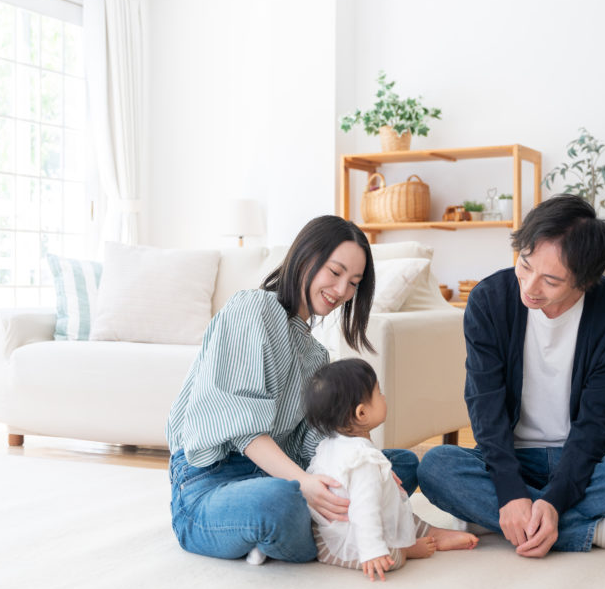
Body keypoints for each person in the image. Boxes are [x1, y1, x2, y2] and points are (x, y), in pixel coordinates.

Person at [418, 194, 605, 561]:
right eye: (524, 266)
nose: (529, 287)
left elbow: (597, 420)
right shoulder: (488, 301)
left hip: (585, 462)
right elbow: (485, 406)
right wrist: (511, 492)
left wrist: (555, 501)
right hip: (512, 458)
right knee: (436, 467)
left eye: (551, 280)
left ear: (586, 281)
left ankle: (505, 521)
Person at [167, 215, 421, 565]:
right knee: (278, 502)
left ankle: (296, 533)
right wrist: (303, 484)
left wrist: (366, 462)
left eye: (354, 283)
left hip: (280, 474)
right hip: (211, 482)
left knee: (397, 465)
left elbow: (314, 440)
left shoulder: (316, 355)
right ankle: (307, 533)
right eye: (335, 272)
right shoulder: (252, 308)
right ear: (305, 257)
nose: (343, 290)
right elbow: (242, 427)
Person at [303, 358, 479, 581]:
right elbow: (364, 509)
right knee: (390, 559)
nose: (384, 397)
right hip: (340, 544)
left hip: (324, 530)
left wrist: (384, 480)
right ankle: (408, 548)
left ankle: (426, 531)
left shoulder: (329, 445)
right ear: (361, 414)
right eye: (379, 393)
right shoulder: (363, 461)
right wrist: (373, 551)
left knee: (395, 499)